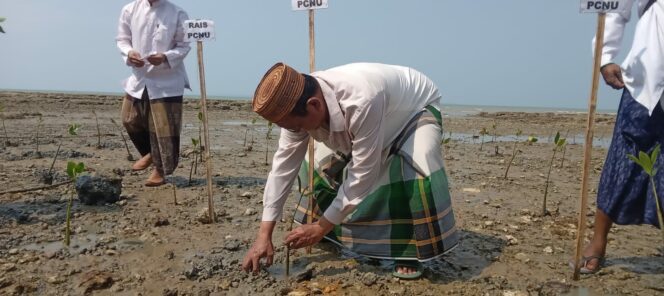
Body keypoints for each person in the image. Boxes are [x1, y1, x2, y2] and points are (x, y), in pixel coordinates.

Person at [241, 62, 459, 279]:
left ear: (314, 105)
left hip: (412, 110)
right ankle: (327, 229)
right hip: (374, 114)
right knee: (320, 162)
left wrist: (320, 227)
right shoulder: (293, 107)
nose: (294, 131)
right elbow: (283, 168)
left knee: (416, 162)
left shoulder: (361, 99)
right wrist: (263, 234)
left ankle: (408, 251)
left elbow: (363, 173)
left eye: (296, 126)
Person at [574, 0, 664, 274]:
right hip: (647, 74)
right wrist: (605, 56)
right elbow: (614, 6)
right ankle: (597, 242)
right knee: (624, 158)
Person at [116, 0, 191, 186]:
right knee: (129, 118)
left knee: (165, 130)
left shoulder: (177, 13)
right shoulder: (129, 9)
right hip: (140, 76)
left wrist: (165, 57)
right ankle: (150, 154)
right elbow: (122, 39)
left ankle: (160, 171)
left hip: (168, 79)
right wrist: (130, 53)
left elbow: (184, 45)